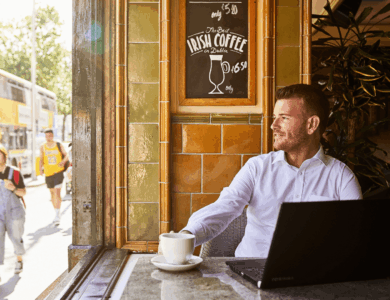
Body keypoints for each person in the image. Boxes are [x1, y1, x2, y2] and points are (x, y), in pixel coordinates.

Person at [180, 84, 362, 258]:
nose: (273, 125)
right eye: (275, 117)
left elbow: (356, 236)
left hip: (311, 280)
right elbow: (226, 206)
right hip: (248, 277)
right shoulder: (257, 167)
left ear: (311, 125)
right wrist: (186, 236)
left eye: (284, 118)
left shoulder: (341, 177)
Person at [0, 144, 26, 279]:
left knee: (16, 237)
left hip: (14, 211)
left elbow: (23, 192)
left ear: (4, 155)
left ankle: (19, 261)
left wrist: (13, 189)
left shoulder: (14, 172)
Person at [39, 129, 69, 226]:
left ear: (52, 135)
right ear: (45, 137)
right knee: (52, 194)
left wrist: (63, 162)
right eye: (47, 136)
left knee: (57, 192)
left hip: (58, 172)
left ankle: (57, 214)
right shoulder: (42, 147)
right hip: (48, 173)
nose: (48, 137)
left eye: (50, 135)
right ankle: (56, 211)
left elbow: (67, 155)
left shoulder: (58, 145)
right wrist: (40, 170)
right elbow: (41, 159)